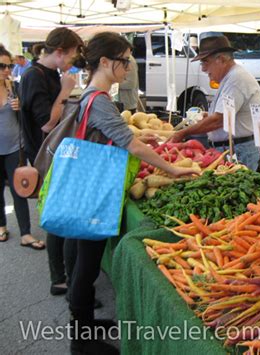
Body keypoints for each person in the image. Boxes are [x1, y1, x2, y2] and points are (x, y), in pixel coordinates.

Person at [67, 31, 199, 354]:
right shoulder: (98, 100)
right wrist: (173, 169)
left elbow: (118, 135)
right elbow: (132, 144)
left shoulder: (92, 97)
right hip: (94, 191)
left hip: (91, 187)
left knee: (88, 259)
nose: (128, 68)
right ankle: (82, 342)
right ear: (104, 62)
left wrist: (145, 139)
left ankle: (85, 325)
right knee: (87, 263)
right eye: (124, 61)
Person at [19, 27, 84, 295]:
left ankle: (62, 276)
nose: (71, 63)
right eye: (70, 57)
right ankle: (59, 279)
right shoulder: (34, 77)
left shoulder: (46, 73)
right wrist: (65, 91)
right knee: (56, 218)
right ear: (58, 52)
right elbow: (46, 123)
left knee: (57, 217)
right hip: (44, 157)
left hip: (54, 155)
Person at [169, 35, 260, 171]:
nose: (203, 69)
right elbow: (222, 116)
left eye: (205, 62)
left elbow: (218, 120)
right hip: (231, 148)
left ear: (222, 60)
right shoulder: (230, 78)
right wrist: (209, 115)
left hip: (237, 150)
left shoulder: (236, 79)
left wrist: (183, 133)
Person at [0, 45, 44, 249]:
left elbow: (25, 118)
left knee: (20, 189)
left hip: (14, 147)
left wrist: (20, 109)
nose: (7, 70)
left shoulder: (13, 87)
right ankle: (1, 225)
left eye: (8, 66)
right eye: (2, 66)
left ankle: (25, 233)